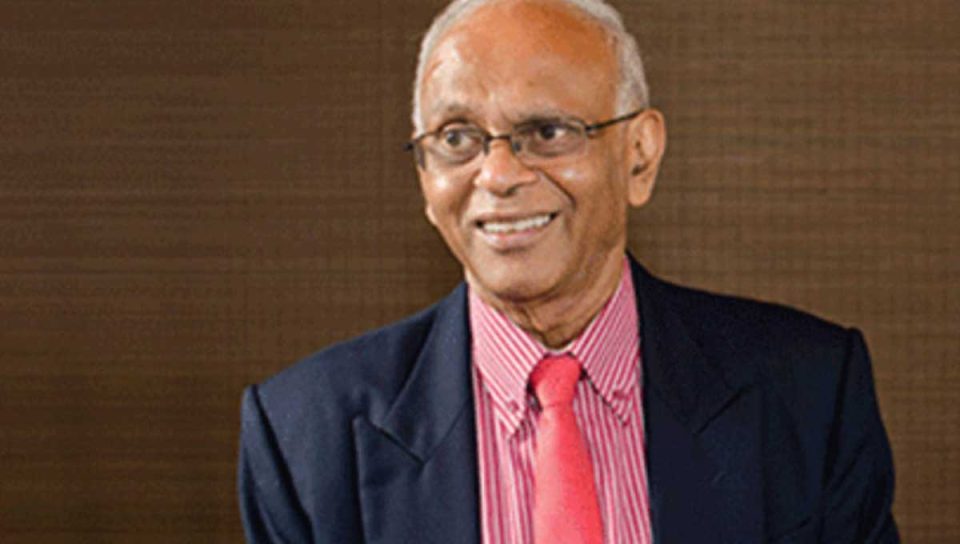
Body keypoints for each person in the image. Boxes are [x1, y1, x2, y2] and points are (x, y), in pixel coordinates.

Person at [237, 0, 899, 542]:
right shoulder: (305, 437)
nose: (497, 175)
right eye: (457, 138)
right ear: (424, 177)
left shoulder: (808, 394)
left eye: (548, 132)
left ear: (640, 156)